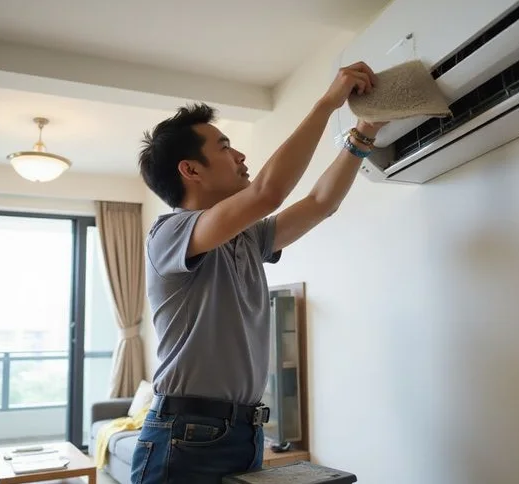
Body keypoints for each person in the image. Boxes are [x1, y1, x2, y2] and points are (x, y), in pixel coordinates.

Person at [132, 61, 386, 484]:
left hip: (242, 431)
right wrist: (327, 103)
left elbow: (320, 202)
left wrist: (366, 132)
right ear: (190, 170)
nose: (240, 155)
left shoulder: (247, 237)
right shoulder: (169, 232)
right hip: (186, 435)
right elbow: (268, 192)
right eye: (224, 146)